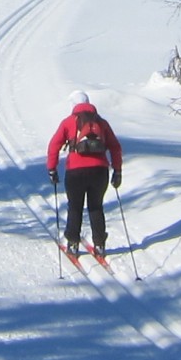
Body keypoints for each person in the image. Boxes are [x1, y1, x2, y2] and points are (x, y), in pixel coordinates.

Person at [46, 90, 123, 262]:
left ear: (73, 105)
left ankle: (73, 243)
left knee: (75, 207)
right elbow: (115, 147)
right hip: (100, 171)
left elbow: (54, 145)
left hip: (75, 171)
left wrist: (52, 169)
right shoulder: (101, 122)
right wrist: (117, 171)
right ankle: (100, 245)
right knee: (96, 206)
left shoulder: (68, 122)